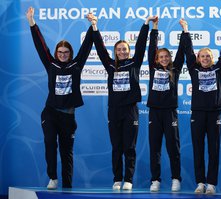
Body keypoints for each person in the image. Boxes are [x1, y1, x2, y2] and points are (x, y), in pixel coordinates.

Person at [26, 7, 94, 189]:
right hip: (50, 113)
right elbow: (40, 45)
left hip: (68, 116)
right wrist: (32, 22)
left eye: (66, 52)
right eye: (60, 52)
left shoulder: (76, 65)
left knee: (67, 152)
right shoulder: (51, 64)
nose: (63, 55)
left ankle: (68, 186)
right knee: (50, 143)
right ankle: (53, 178)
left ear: (70, 54)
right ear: (56, 54)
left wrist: (93, 26)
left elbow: (87, 46)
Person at [87, 14, 157, 191]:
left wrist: (145, 24)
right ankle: (117, 178)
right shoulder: (110, 65)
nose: (122, 51)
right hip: (114, 110)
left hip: (130, 110)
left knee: (129, 147)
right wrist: (94, 26)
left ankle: (128, 179)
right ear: (115, 52)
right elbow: (100, 48)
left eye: (125, 49)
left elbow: (141, 44)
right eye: (119, 49)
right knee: (116, 146)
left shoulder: (134, 63)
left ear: (129, 50)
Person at [181, 18, 221, 194]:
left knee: (213, 149)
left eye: (208, 56)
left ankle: (211, 184)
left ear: (212, 59)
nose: (205, 58)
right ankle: (200, 183)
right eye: (202, 56)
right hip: (197, 113)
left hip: (214, 114)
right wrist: (186, 30)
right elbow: (188, 51)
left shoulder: (218, 68)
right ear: (198, 59)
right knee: (198, 148)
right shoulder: (193, 69)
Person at [146, 17, 187, 192]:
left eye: (166, 56)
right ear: (156, 59)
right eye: (160, 57)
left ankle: (176, 178)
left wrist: (185, 30)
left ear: (169, 58)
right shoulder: (153, 68)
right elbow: (151, 48)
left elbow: (181, 51)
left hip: (170, 112)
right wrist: (155, 27)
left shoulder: (175, 68)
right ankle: (155, 180)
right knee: (154, 147)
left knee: (173, 147)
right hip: (154, 112)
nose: (163, 59)